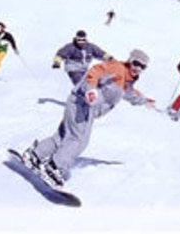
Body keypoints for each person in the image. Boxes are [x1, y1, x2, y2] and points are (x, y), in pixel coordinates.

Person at [22, 49, 155, 187]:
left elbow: (130, 93)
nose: (137, 68)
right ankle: (54, 167)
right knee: (79, 139)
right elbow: (95, 71)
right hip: (82, 103)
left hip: (81, 106)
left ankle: (35, 155)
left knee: (63, 137)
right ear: (130, 60)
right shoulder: (117, 68)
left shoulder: (126, 81)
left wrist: (145, 101)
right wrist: (90, 89)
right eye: (136, 63)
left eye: (142, 66)